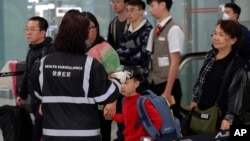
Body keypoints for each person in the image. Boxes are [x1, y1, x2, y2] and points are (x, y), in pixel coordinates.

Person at [35, 9, 128, 141]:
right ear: (81, 37)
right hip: (85, 133)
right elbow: (105, 95)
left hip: (53, 133)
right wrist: (120, 75)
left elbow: (38, 92)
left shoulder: (44, 63)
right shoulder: (90, 64)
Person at [190, 19, 248, 132]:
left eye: (221, 35)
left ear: (233, 40)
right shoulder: (210, 56)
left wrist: (229, 118)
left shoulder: (236, 65)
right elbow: (201, 79)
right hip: (203, 114)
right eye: (215, 33)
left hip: (223, 119)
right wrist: (195, 99)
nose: (215, 37)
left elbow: (238, 96)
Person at [82, 11, 122, 141]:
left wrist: (112, 101)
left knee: (103, 135)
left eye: (91, 27)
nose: (88, 31)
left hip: (102, 104)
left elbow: (115, 75)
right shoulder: (77, 48)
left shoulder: (105, 49)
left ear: (97, 28)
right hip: (83, 104)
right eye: (84, 28)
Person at [16, 16, 55, 141]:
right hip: (34, 101)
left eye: (32, 29)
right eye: (26, 29)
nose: (28, 32)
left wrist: (46, 101)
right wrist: (22, 95)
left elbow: (52, 80)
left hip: (46, 104)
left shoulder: (50, 51)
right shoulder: (31, 50)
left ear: (43, 32)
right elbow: (28, 75)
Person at [146, 0, 185, 121]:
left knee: (169, 122)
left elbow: (175, 62)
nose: (150, 10)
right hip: (154, 83)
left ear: (163, 5)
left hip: (168, 85)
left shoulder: (173, 29)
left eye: (152, 6)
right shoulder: (154, 30)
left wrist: (167, 92)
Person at [111, 66, 162, 141]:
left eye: (126, 83)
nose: (122, 86)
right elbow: (125, 118)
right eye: (120, 83)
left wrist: (148, 138)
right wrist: (112, 115)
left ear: (136, 84)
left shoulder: (143, 102)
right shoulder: (124, 100)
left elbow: (158, 120)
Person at [116, 0, 152, 93]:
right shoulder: (126, 33)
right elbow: (119, 55)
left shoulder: (148, 31)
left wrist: (126, 53)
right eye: (127, 10)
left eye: (132, 10)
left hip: (142, 80)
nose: (129, 13)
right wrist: (132, 51)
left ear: (141, 11)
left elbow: (142, 57)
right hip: (126, 79)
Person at [107, 1, 130, 140]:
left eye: (118, 1)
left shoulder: (132, 22)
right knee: (120, 106)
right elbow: (110, 49)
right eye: (113, 2)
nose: (114, 5)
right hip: (117, 71)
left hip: (130, 71)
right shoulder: (113, 24)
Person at [222, 3, 250, 76]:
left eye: (227, 12)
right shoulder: (223, 30)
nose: (224, 15)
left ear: (235, 16)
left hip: (239, 70)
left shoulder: (243, 32)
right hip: (225, 69)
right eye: (224, 12)